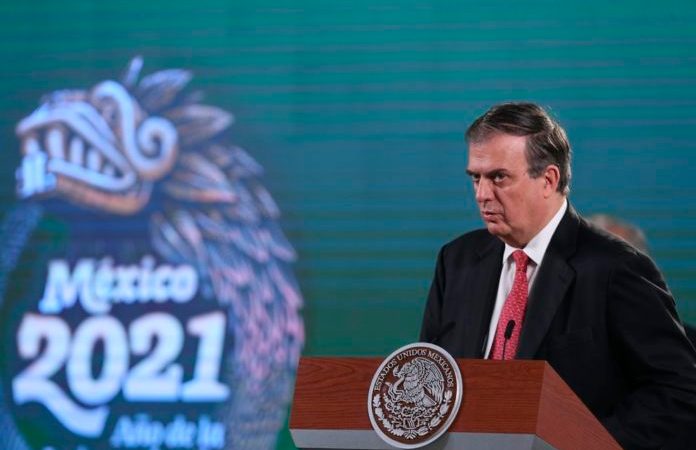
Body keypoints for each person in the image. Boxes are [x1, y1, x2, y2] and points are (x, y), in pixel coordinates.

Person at [420, 102, 696, 450]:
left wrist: (585, 444)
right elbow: (429, 374)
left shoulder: (616, 267)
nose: (482, 194)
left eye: (498, 177)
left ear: (548, 180)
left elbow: (679, 392)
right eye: (476, 177)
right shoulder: (456, 260)